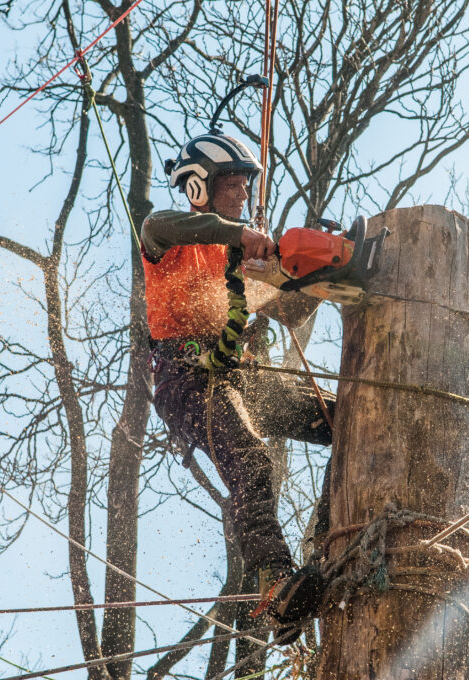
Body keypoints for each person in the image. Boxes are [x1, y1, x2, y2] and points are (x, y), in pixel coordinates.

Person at [141, 132, 332, 634]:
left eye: (246, 183)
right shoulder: (169, 236)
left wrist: (307, 277)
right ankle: (273, 578)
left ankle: (332, 540)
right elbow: (156, 222)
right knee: (250, 457)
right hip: (188, 381)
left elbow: (288, 309)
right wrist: (236, 235)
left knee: (346, 415)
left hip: (243, 376)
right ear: (199, 187)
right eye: (232, 182)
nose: (243, 192)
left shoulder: (245, 258)